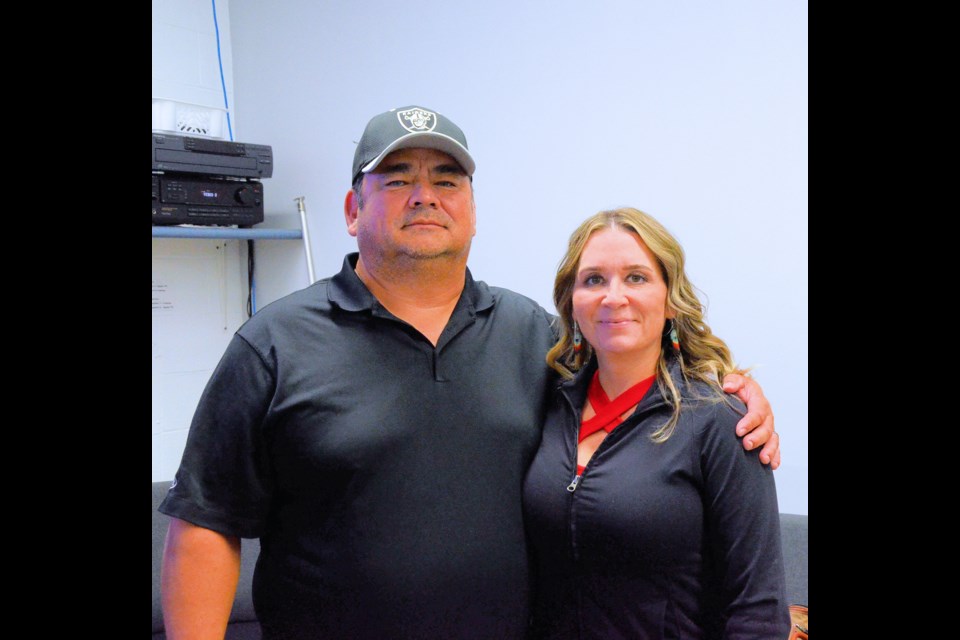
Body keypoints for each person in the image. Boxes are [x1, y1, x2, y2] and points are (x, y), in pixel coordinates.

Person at [158, 106, 780, 639]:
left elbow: (635, 363)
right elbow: (206, 525)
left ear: (474, 210)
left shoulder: (533, 336)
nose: (425, 195)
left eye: (447, 180)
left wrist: (731, 391)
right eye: (397, 179)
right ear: (353, 210)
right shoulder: (274, 344)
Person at [521, 207, 789, 639]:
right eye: (593, 279)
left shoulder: (721, 421)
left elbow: (759, 609)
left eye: (636, 277)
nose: (613, 297)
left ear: (670, 299)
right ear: (572, 301)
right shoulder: (545, 403)